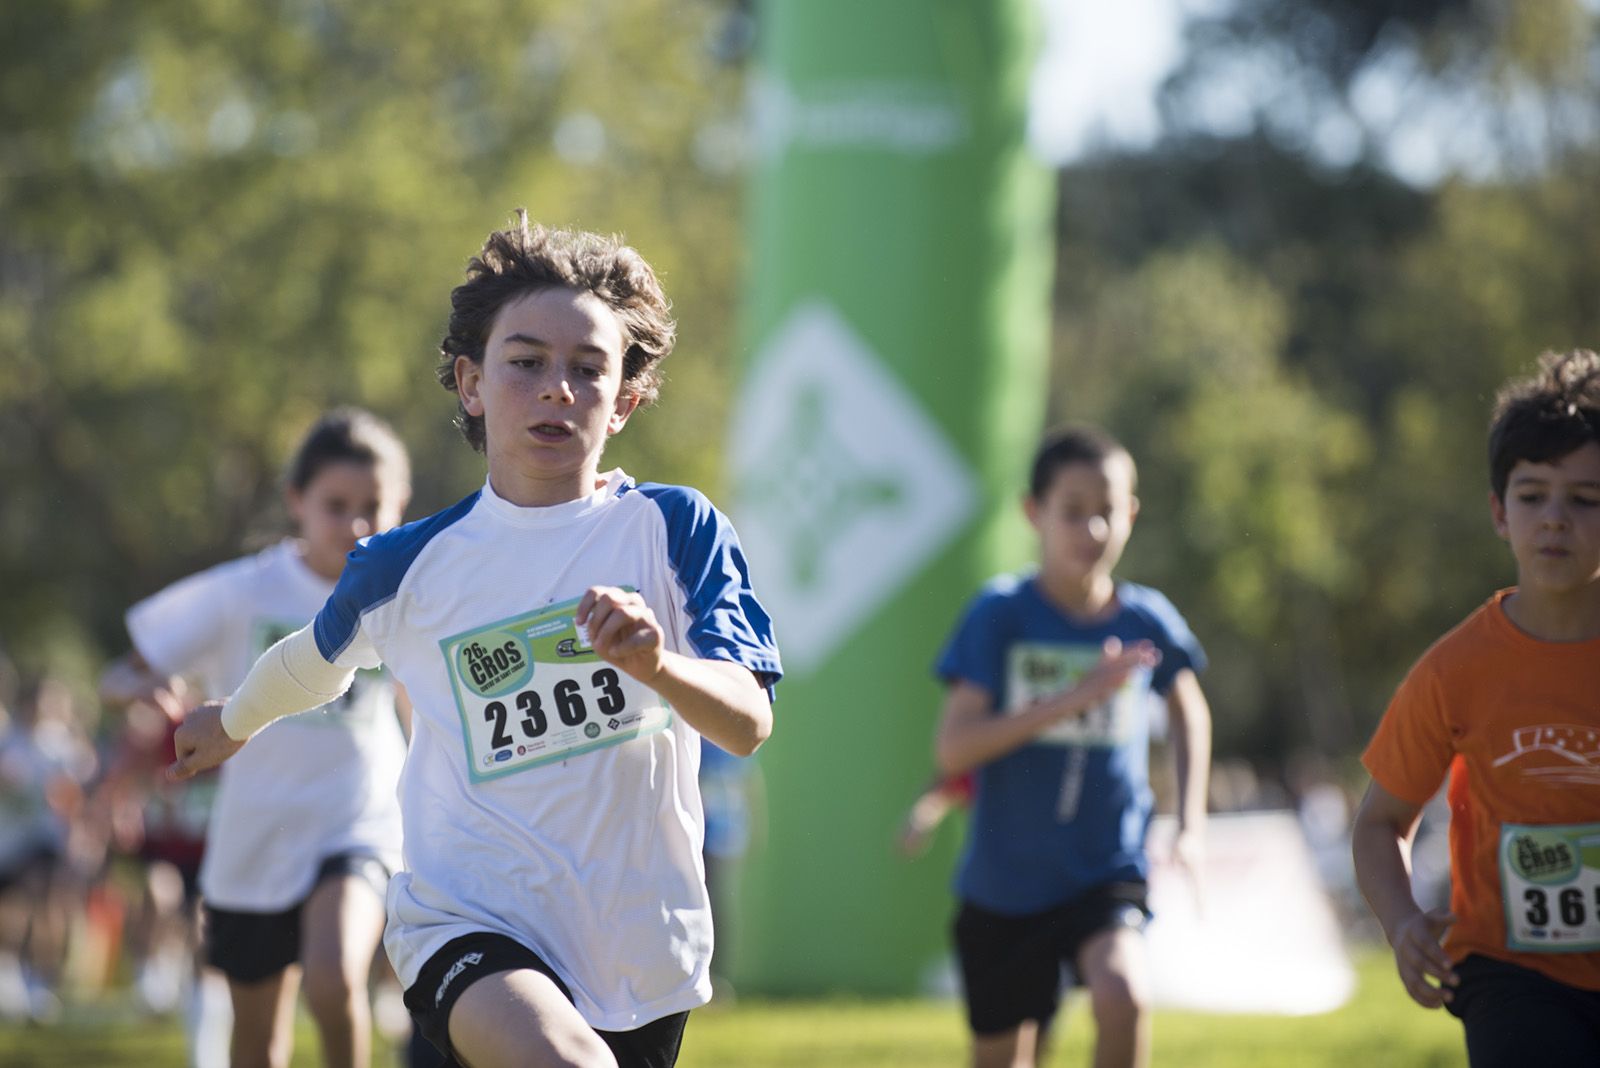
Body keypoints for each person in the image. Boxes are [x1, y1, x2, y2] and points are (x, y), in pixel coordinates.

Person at [170, 213, 782, 1068]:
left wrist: (655, 665)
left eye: (587, 369)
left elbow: (747, 722)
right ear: (470, 382)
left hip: (641, 947)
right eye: (526, 362)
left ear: (627, 400)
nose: (556, 389)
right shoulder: (404, 566)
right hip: (464, 923)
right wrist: (232, 722)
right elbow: (311, 664)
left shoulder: (676, 530)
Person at [102, 407, 413, 1068]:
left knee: (333, 979)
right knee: (257, 1042)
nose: (358, 525)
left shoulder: (402, 592)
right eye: (336, 505)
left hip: (357, 825)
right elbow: (119, 676)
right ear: (296, 502)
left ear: (401, 506)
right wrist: (146, 692)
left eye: (374, 507)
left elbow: (421, 703)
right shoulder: (241, 591)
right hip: (254, 840)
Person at [1351, 348, 1600, 1068]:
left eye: (1585, 499)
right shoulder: (1455, 670)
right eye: (1532, 496)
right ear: (1499, 512)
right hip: (1507, 971)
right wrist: (1401, 925)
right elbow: (1379, 824)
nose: (1555, 519)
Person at [934, 425, 1212, 1068]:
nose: (1092, 530)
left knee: (1125, 996)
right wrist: (1070, 700)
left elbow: (1189, 708)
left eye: (1107, 512)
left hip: (1105, 868)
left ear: (1132, 515)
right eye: (1073, 511)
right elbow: (954, 749)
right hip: (1006, 886)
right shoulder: (999, 615)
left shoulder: (1147, 620)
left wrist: (1190, 824)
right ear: (1034, 514)